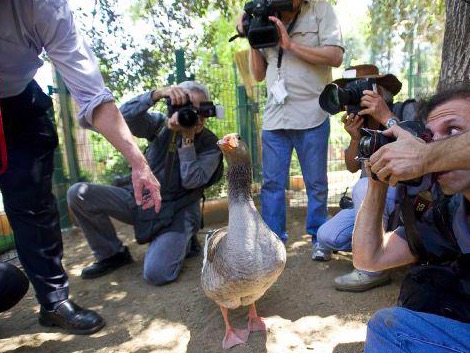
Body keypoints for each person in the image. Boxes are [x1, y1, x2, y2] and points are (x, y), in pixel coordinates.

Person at [0, 0, 161, 334]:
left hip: (18, 104)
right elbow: (132, 113)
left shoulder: (45, 8)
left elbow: (93, 95)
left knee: (34, 210)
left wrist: (139, 164)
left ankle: (54, 301)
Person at [352, 83, 470, 352]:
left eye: (453, 131)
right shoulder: (453, 212)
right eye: (430, 137)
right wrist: (377, 181)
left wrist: (427, 154)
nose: (438, 143)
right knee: (389, 327)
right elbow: (370, 258)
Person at [68, 81, 223, 286]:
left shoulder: (211, 146)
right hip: (144, 199)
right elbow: (121, 118)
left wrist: (188, 139)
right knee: (79, 193)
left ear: (207, 111)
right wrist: (156, 94)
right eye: (186, 108)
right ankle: (112, 254)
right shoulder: (159, 125)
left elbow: (191, 181)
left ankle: (183, 239)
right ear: (172, 107)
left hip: (178, 211)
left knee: (157, 274)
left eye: (199, 109)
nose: (193, 115)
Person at [242, 0, 344, 253]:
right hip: (276, 117)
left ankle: (320, 239)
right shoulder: (264, 13)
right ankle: (273, 244)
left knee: (316, 184)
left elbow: (335, 56)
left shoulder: (321, 9)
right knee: (272, 185)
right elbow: (257, 74)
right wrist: (252, 39)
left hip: (312, 114)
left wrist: (291, 45)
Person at [314, 64, 416, 292]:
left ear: (378, 90)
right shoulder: (360, 123)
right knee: (326, 235)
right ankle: (383, 245)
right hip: (371, 203)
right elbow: (351, 166)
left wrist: (386, 117)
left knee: (363, 187)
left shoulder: (403, 111)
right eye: (348, 90)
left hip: (402, 195)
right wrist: (354, 138)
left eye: (358, 89)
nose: (352, 95)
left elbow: (418, 147)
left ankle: (373, 270)